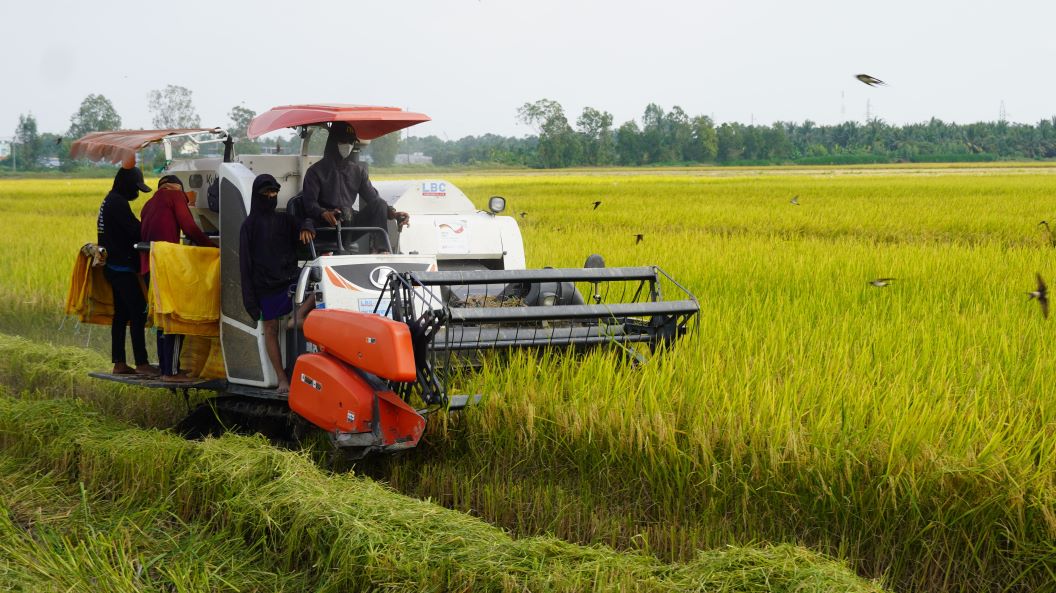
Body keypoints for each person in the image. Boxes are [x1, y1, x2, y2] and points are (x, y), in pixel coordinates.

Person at [239, 174, 315, 393]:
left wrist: (307, 227)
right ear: (257, 195)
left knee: (320, 289)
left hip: (291, 280)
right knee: (270, 329)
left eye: (274, 193)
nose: (271, 197)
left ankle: (297, 319)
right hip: (265, 286)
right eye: (266, 193)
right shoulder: (249, 226)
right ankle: (282, 380)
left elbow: (305, 222)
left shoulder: (285, 220)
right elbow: (245, 266)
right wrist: (250, 302)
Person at [140, 175, 218, 383]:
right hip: (166, 267)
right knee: (176, 316)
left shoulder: (148, 204)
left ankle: (165, 368)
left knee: (162, 320)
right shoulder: (175, 196)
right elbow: (189, 227)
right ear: (179, 189)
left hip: (149, 267)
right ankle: (172, 372)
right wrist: (213, 247)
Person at [299, 122, 409, 251]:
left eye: (351, 142)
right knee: (346, 212)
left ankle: (381, 251)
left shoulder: (358, 171)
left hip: (349, 225)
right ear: (333, 142)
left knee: (379, 204)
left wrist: (393, 213)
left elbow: (374, 199)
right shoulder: (315, 171)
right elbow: (309, 204)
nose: (348, 145)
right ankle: (341, 251)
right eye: (343, 141)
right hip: (325, 226)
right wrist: (323, 213)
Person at [97, 165, 155, 376]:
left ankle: (119, 363)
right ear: (126, 185)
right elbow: (135, 230)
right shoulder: (117, 203)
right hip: (120, 267)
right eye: (135, 188)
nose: (137, 193)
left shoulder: (109, 200)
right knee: (139, 310)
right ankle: (142, 363)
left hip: (112, 265)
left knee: (121, 314)